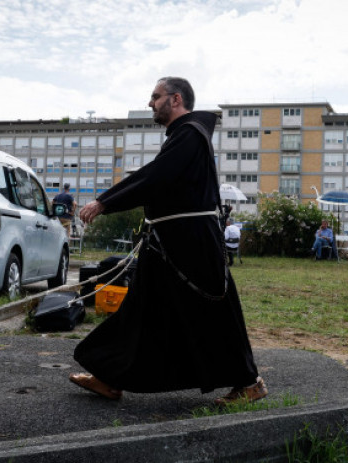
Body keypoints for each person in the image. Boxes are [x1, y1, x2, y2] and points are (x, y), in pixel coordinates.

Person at [71, 77, 266, 405]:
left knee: (213, 312)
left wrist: (105, 202)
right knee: (140, 310)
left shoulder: (190, 135)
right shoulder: (183, 136)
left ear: (175, 100)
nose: (150, 102)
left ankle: (250, 382)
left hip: (192, 242)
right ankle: (109, 377)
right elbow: (157, 175)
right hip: (169, 242)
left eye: (155, 96)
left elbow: (156, 177)